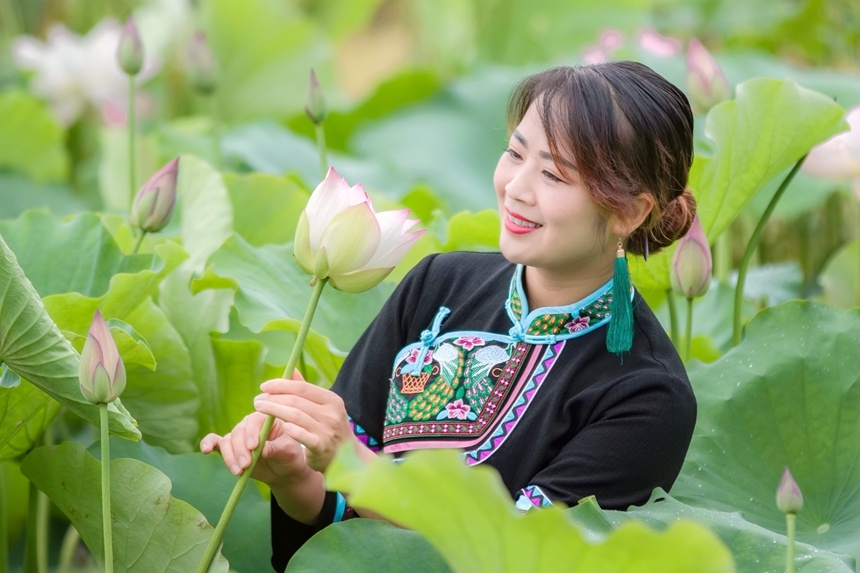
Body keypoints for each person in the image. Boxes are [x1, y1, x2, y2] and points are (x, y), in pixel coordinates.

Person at [200, 60, 698, 572]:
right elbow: (344, 531)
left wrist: (352, 462)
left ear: (629, 212)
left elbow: (512, 556)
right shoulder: (436, 284)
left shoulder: (648, 396)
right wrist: (295, 476)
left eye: (553, 173)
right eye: (514, 153)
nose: (516, 188)